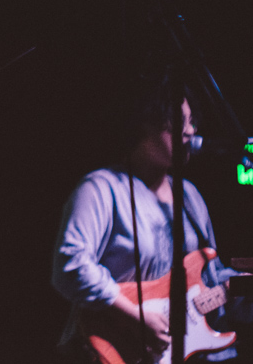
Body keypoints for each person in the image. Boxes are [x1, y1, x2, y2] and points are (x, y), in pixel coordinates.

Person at [51, 73, 237, 363]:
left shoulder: (190, 196)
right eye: (179, 121)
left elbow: (213, 281)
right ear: (144, 122)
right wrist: (135, 317)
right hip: (109, 352)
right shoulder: (102, 188)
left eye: (192, 121)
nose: (190, 131)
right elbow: (70, 265)